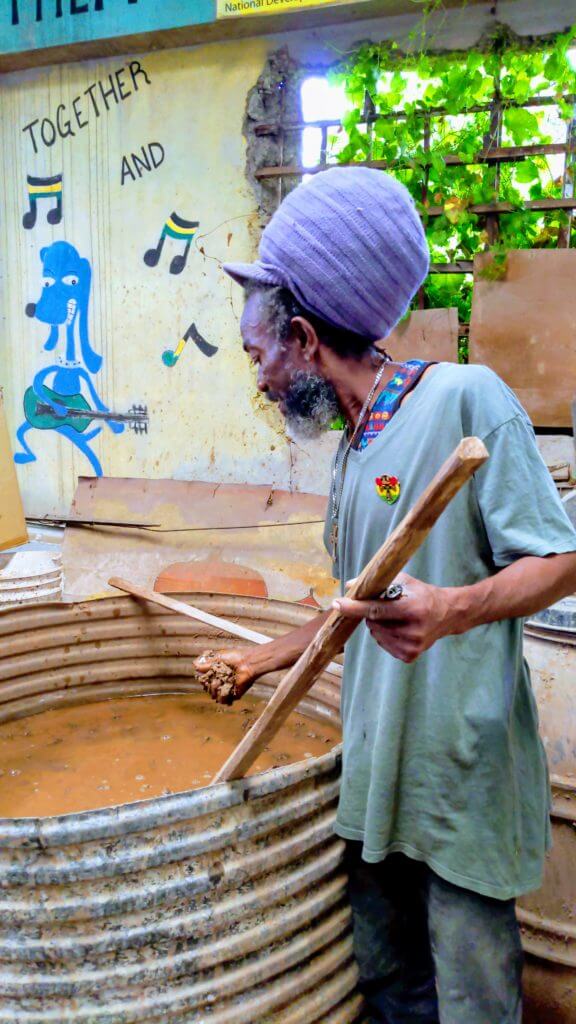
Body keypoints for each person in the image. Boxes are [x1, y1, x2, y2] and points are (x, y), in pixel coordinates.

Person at [195, 167, 576, 1024]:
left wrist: (454, 609)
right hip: (377, 776)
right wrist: (260, 658)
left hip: (459, 780)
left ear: (300, 336)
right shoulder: (352, 450)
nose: (257, 380)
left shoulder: (465, 401)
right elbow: (351, 606)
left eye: (259, 354)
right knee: (393, 991)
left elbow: (562, 559)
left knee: (476, 1002)